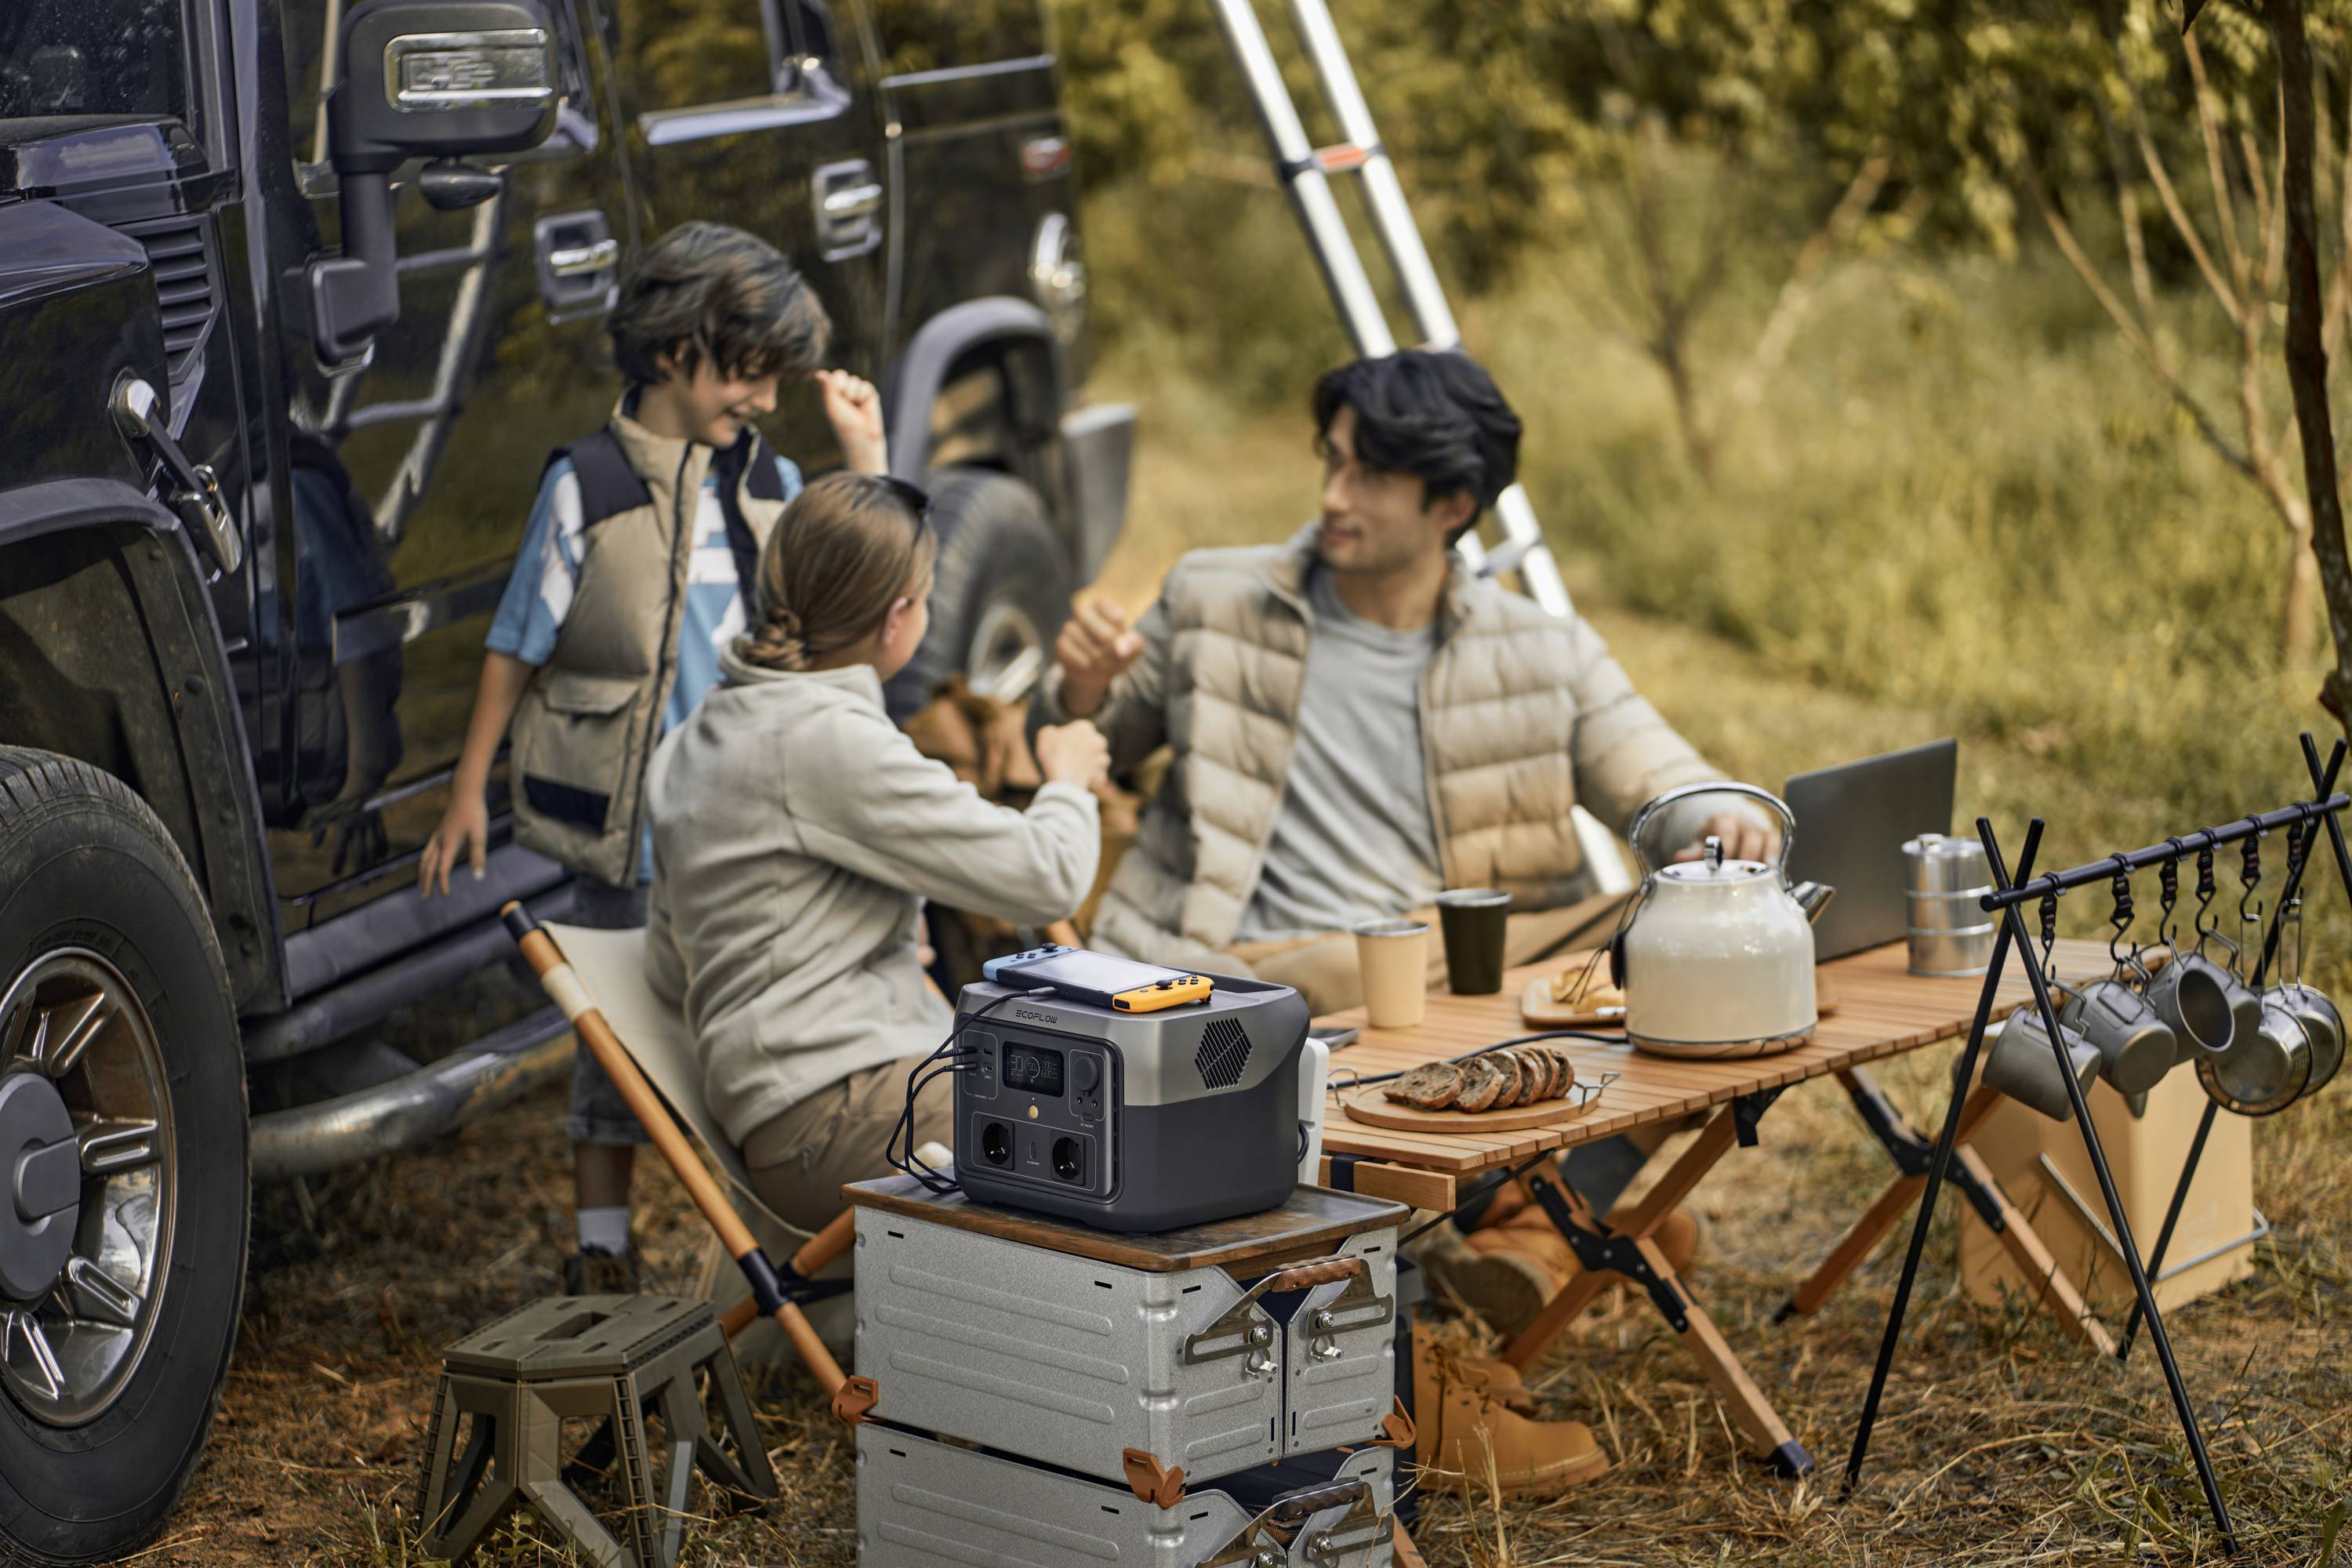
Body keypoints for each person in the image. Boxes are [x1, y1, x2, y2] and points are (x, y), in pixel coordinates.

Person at [1031, 347, 1777, 1495]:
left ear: (1453, 506)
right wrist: (1075, 688)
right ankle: (1478, 1297)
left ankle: (1530, 1230)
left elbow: (1661, 778)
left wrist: (1722, 819)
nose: (1333, 496)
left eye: (1371, 476)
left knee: (1685, 970)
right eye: (1333, 462)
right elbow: (1082, 743)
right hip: (1232, 983)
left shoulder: (1538, 650)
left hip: (1439, 983)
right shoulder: (1214, 598)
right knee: (1444, 1027)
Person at [418, 221, 887, 1293]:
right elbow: (515, 645)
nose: (766, 401)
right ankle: (603, 1250)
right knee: (614, 1049)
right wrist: (465, 795)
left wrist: (867, 467)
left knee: (753, 1033)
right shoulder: (586, 486)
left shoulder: (772, 483)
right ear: (681, 351)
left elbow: (856, 596)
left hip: (742, 831)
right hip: (624, 840)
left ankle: (785, 1241)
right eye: (752, 374)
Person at [641, 474, 1109, 1232]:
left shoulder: (695, 738)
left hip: (789, 1121)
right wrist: (1068, 778)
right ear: (898, 619)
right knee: (1113, 1119)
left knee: (1081, 1081)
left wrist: (839, 931)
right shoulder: (828, 739)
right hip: (842, 1120)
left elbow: (671, 967)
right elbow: (1047, 874)